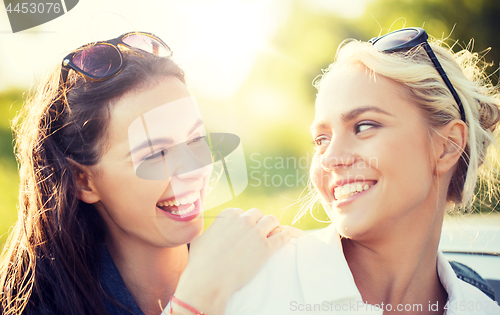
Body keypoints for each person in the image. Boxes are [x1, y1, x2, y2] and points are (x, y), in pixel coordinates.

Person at [0, 31, 291, 315]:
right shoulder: (36, 307)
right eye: (155, 153)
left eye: (195, 139)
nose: (192, 170)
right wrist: (196, 299)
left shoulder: (268, 271)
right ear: (83, 181)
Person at [226, 27, 500, 314]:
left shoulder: (483, 309)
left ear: (446, 145)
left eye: (364, 126)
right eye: (322, 140)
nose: (330, 158)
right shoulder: (250, 288)